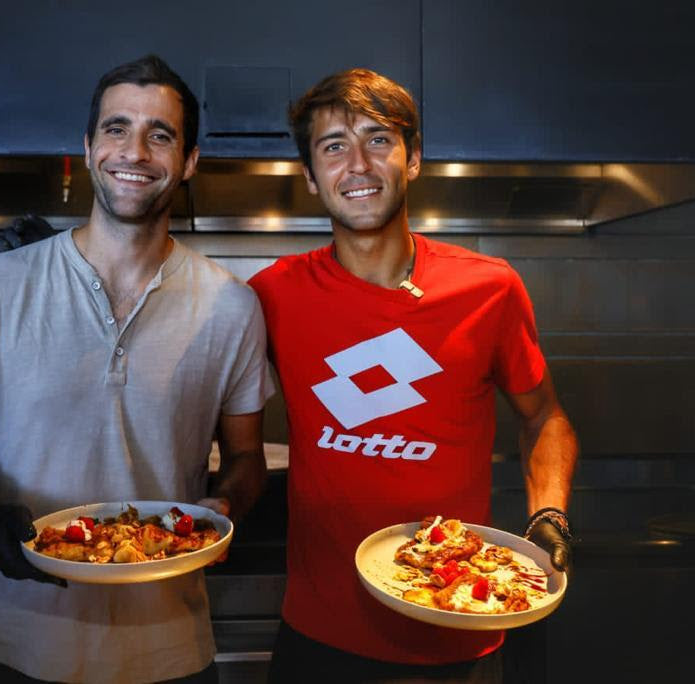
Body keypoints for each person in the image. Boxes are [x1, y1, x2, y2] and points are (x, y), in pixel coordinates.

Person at [0, 54, 273, 683]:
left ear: (188, 161)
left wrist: (224, 507)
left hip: (171, 654)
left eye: (160, 135)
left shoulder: (232, 306)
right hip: (13, 646)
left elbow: (246, 458)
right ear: (87, 147)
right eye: (116, 128)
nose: (134, 151)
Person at [246, 69, 578, 682]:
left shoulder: (490, 287)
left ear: (414, 159)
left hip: (457, 629)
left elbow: (546, 416)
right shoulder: (271, 294)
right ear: (311, 177)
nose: (359, 165)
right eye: (334, 147)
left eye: (379, 140)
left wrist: (549, 514)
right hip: (317, 635)